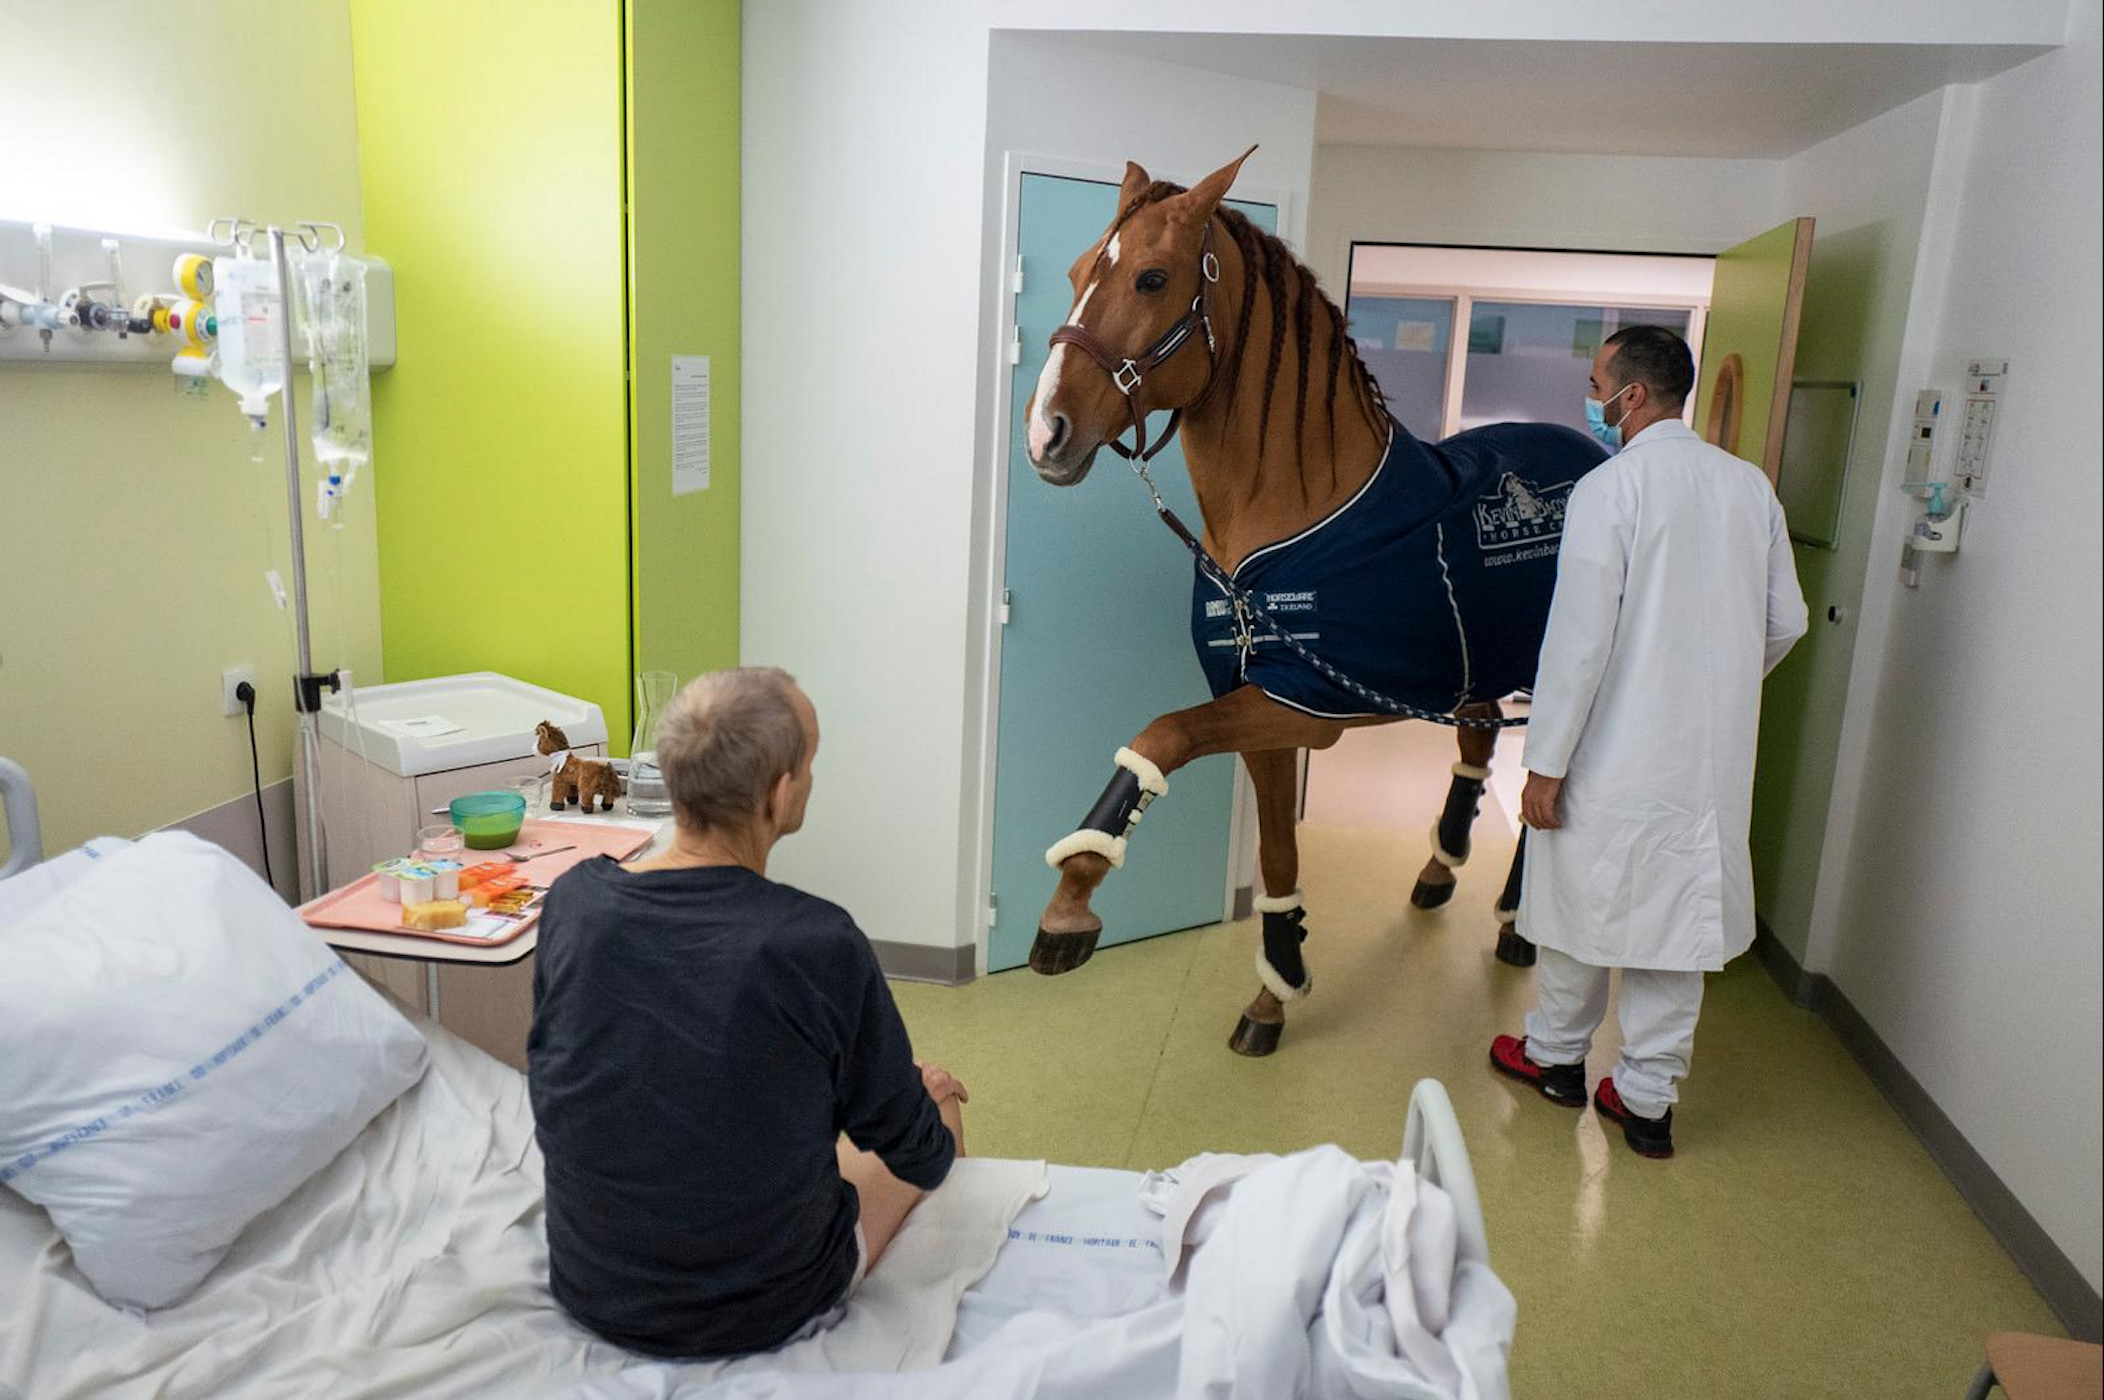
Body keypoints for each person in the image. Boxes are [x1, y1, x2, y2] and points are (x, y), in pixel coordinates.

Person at [528, 667, 968, 1356]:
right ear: (783, 794)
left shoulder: (573, 904)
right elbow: (919, 1152)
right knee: (939, 1112)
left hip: (591, 1284)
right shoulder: (818, 943)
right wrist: (914, 1094)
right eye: (810, 764)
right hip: (763, 1307)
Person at [1489, 325, 1808, 1159]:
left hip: (1607, 749)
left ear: (1630, 397)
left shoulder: (1611, 489)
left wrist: (1543, 765)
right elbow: (1788, 621)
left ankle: (1556, 1059)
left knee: (1577, 909)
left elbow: (1579, 642)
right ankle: (1646, 1103)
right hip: (1707, 758)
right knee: (1679, 931)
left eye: (1596, 383)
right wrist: (1720, 685)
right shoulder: (1751, 490)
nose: (1591, 398)